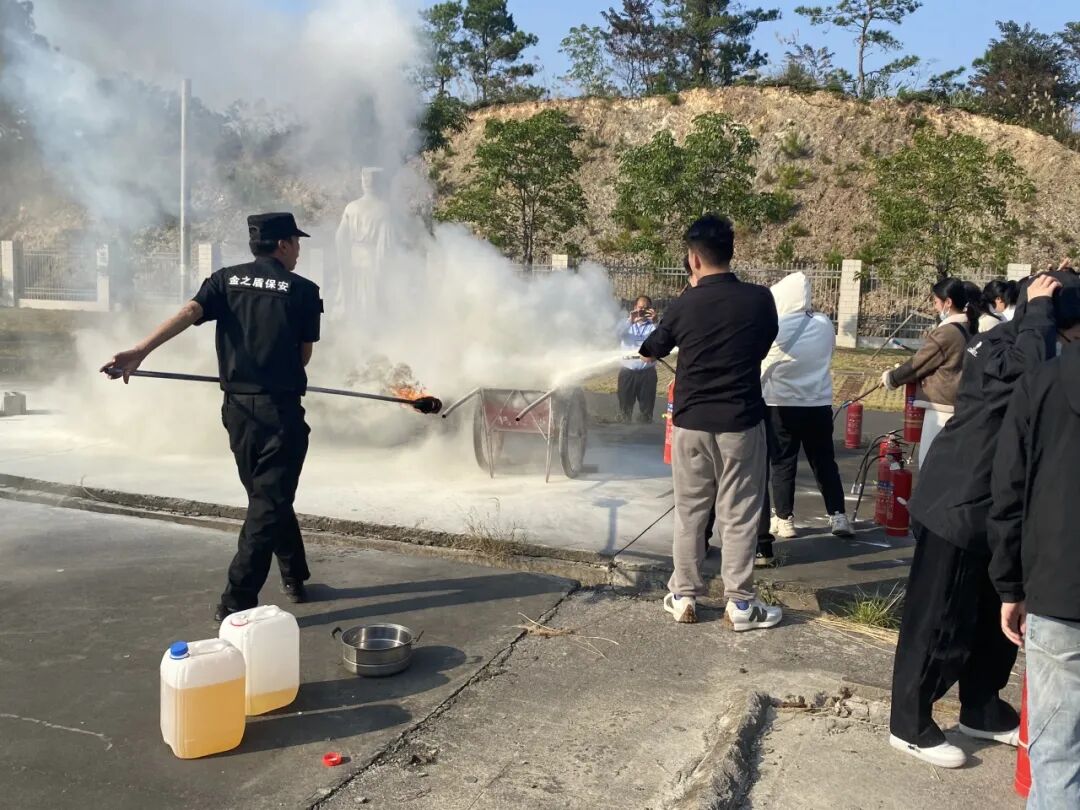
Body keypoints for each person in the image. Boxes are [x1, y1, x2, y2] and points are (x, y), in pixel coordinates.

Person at [102, 213, 323, 622]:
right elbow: (304, 356)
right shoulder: (304, 291)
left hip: (237, 411)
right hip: (279, 413)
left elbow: (190, 311)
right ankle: (237, 600)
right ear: (283, 245)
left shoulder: (226, 280)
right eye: (297, 242)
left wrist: (140, 351)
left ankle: (294, 573)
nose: (299, 250)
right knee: (268, 503)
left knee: (268, 499)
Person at [889, 273, 1068, 769]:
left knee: (993, 617)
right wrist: (1041, 311)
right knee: (939, 618)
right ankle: (908, 722)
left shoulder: (1020, 339)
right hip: (959, 501)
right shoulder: (1006, 347)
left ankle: (981, 706)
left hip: (998, 508)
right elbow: (1028, 373)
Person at [640, 214, 780, 630]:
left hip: (691, 424)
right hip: (741, 422)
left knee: (690, 512)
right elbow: (762, 345)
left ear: (694, 259)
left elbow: (650, 349)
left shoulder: (685, 304)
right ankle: (740, 604)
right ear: (730, 252)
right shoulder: (760, 299)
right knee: (739, 513)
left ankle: (684, 594)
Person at [989, 292, 1080, 808]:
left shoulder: (1041, 384)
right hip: (1056, 589)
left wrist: (1010, 585)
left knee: (1057, 756)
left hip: (1058, 588)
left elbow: (1009, 490)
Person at [760, 272, 853, 540]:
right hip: (818, 402)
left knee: (783, 462)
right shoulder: (824, 324)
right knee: (824, 461)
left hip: (780, 404)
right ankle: (838, 516)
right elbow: (829, 353)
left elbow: (764, 362)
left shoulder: (775, 325)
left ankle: (784, 519)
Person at [880, 277, 979, 468]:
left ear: (948, 302)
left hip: (941, 408)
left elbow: (918, 364)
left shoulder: (947, 332)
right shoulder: (969, 327)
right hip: (960, 403)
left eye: (935, 302)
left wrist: (891, 378)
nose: (934, 307)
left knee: (930, 464)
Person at [616, 296, 658, 423]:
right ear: (635, 307)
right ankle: (625, 430)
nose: (643, 311)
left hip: (647, 374)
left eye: (647, 308)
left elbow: (661, 339)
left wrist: (655, 323)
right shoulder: (626, 324)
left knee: (646, 412)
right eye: (640, 308)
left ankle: (644, 429)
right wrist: (630, 320)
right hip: (627, 372)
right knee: (624, 411)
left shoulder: (654, 326)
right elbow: (616, 335)